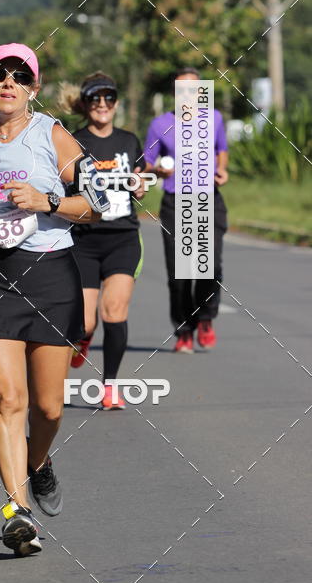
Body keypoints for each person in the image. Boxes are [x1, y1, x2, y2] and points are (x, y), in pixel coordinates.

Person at [0, 43, 108, 557]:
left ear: (33, 85)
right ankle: (18, 512)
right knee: (9, 398)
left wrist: (48, 200)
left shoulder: (52, 134)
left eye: (18, 75)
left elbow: (97, 205)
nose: (7, 82)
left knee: (48, 407)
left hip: (51, 273)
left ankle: (39, 462)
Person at [59, 73, 146, 409]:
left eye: (109, 98)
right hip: (83, 238)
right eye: (95, 99)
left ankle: (110, 386)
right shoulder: (72, 141)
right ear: (85, 104)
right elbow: (64, 185)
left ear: (116, 104)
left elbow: (139, 177)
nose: (102, 105)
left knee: (114, 311)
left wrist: (139, 185)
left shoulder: (128, 140)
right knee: (85, 320)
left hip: (122, 237)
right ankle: (82, 338)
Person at [144, 68, 229, 353]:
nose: (188, 96)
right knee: (179, 275)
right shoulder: (159, 125)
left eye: (194, 89)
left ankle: (205, 317)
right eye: (182, 90)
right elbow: (147, 163)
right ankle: (183, 329)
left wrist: (223, 169)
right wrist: (159, 169)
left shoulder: (214, 118)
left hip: (208, 199)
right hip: (174, 202)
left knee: (210, 266)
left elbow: (221, 149)